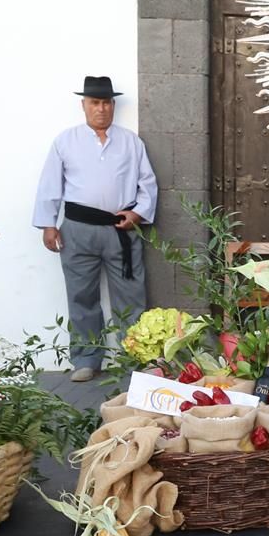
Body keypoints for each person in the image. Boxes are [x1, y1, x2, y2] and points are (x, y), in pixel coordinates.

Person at [33, 76, 159, 381]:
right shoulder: (66, 141)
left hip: (121, 229)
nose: (100, 109)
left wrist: (138, 215)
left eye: (106, 103)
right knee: (81, 296)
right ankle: (86, 359)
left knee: (130, 296)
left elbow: (148, 184)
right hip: (78, 228)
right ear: (84, 105)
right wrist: (49, 224)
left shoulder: (131, 141)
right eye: (94, 103)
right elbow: (51, 184)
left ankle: (136, 359)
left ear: (113, 106)